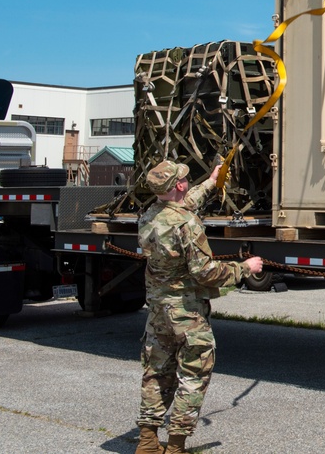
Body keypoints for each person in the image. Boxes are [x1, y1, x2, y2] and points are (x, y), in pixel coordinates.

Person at [134, 160, 263, 454]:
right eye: (186, 179)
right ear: (178, 186)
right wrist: (244, 269)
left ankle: (147, 442)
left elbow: (182, 206)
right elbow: (205, 272)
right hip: (187, 315)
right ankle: (176, 445)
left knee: (156, 373)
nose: (188, 181)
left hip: (157, 313)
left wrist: (212, 181)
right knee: (192, 377)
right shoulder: (188, 225)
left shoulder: (148, 216)